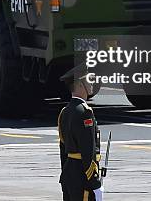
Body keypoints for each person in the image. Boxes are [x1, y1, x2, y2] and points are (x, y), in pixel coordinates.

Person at [58, 64, 103, 201]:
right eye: (88, 79)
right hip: (82, 176)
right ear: (79, 85)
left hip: (69, 173)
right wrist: (94, 181)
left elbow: (63, 149)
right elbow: (87, 149)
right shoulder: (85, 112)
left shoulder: (64, 112)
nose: (92, 82)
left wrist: (66, 172)